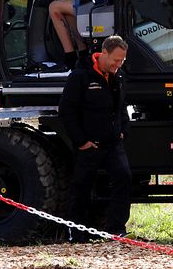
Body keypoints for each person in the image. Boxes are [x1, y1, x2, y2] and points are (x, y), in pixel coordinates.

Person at [59, 35, 131, 241]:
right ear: (104, 53)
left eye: (122, 61)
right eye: (115, 60)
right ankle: (76, 232)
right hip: (89, 145)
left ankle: (116, 229)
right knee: (81, 186)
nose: (118, 65)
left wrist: (123, 129)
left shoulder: (117, 77)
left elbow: (121, 107)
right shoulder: (80, 76)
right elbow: (66, 111)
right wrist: (81, 141)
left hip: (113, 143)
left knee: (124, 178)